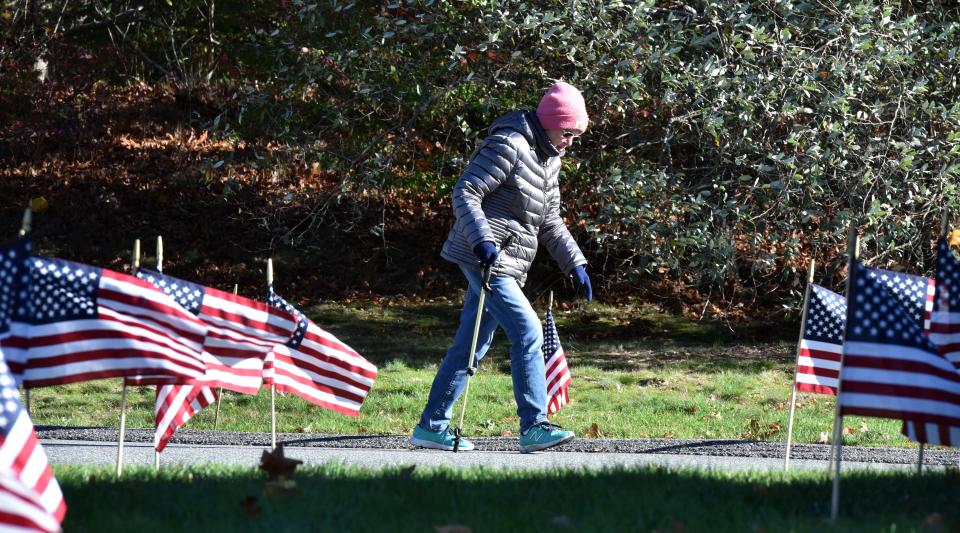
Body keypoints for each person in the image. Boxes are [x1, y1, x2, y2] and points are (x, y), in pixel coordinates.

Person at [409, 81, 593, 453]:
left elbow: (550, 220)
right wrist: (482, 240)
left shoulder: (549, 159)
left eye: (576, 134)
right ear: (551, 122)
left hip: (507, 260)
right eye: (568, 131)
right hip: (486, 258)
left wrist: (575, 262)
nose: (571, 141)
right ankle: (534, 426)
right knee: (528, 331)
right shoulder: (510, 144)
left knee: (472, 344)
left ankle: (431, 427)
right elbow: (465, 191)